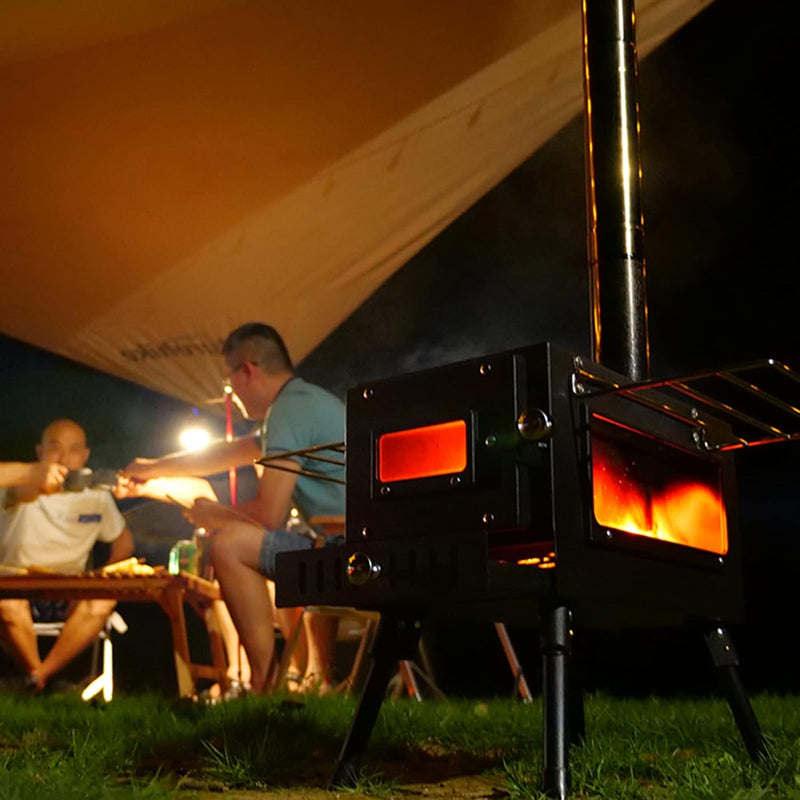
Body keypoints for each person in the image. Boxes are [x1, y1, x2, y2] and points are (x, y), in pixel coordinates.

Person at [123, 322, 345, 694]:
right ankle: (298, 678)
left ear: (248, 370)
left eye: (229, 384)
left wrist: (215, 514)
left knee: (229, 545)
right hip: (358, 543)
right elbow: (224, 454)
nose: (231, 395)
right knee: (261, 547)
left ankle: (263, 683)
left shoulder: (289, 412)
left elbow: (269, 517)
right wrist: (151, 468)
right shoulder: (301, 402)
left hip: (351, 554)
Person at [0, 419, 135, 692]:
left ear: (85, 455)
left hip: (70, 587)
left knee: (102, 600)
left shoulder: (96, 494)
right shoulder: (25, 481)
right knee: (7, 603)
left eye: (74, 449)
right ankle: (39, 677)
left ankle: (38, 677)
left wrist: (102, 574)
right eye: (55, 448)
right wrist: (37, 481)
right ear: (40, 452)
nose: (64, 457)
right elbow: (17, 494)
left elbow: (123, 541)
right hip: (17, 581)